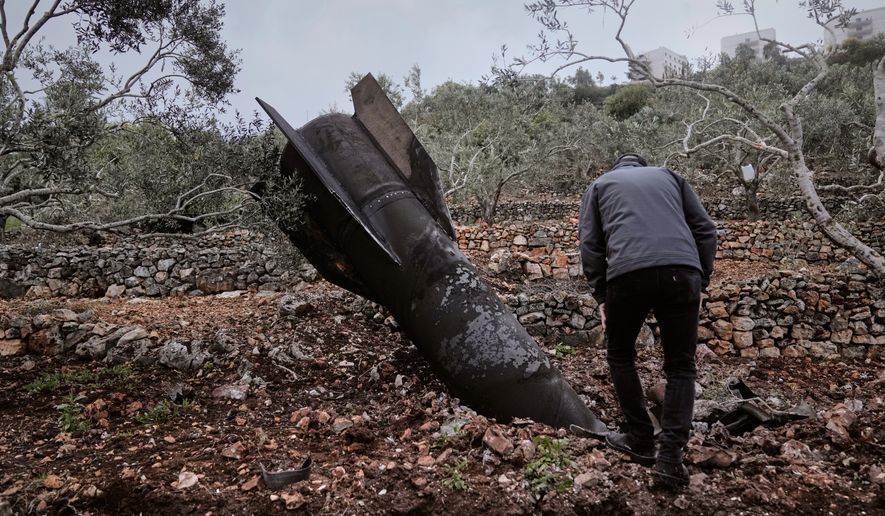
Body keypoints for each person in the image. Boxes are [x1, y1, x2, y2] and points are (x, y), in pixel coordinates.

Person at [578, 153, 717, 487]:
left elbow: (591, 245)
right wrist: (701, 279)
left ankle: (641, 440)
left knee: (620, 354)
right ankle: (670, 460)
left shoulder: (600, 185)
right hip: (682, 272)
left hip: (627, 275)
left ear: (617, 168)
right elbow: (706, 229)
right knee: (681, 366)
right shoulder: (670, 176)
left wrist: (601, 296)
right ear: (642, 167)